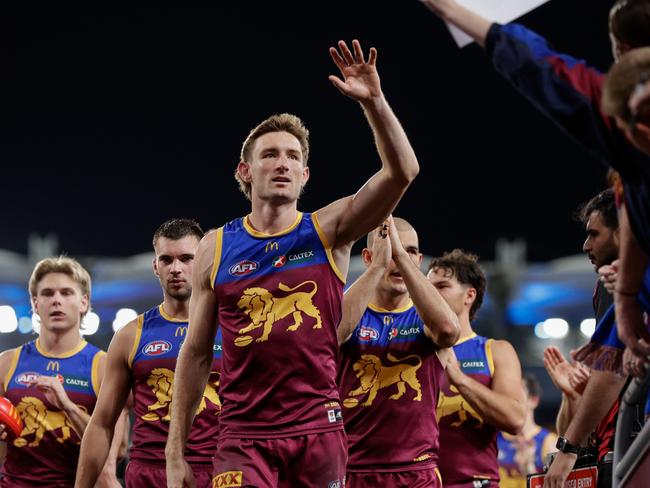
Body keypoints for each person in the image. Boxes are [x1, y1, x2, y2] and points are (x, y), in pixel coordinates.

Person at [165, 39, 421, 488]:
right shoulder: (215, 246)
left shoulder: (329, 229)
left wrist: (375, 102)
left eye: (293, 157)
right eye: (269, 154)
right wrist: (176, 449)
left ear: (305, 176)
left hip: (317, 432)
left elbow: (402, 172)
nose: (282, 163)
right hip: (242, 437)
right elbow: (198, 352)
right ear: (245, 171)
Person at [75, 218, 221, 488]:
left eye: (186, 258)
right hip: (150, 473)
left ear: (203, 261)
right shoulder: (131, 335)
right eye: (166, 260)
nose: (176, 268)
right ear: (156, 266)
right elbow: (102, 423)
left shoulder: (233, 328)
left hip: (219, 469)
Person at [336, 217, 459, 487]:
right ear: (369, 256)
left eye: (410, 251)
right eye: (390, 249)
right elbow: (329, 335)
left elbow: (449, 332)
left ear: (418, 259)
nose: (399, 257)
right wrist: (380, 265)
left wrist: (400, 257)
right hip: (352, 469)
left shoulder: (425, 316)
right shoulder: (352, 310)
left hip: (416, 471)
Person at [0, 256, 119, 487]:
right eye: (47, 293)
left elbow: (113, 451)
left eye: (66, 293)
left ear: (84, 302)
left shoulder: (103, 366)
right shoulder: (7, 363)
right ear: (35, 303)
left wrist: (67, 406)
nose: (56, 301)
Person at [428, 250, 525, 488]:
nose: (430, 293)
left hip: (474, 483)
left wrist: (461, 380)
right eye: (427, 286)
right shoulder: (412, 351)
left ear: (469, 295)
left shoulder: (496, 350)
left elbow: (514, 420)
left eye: (441, 286)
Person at [497, 375, 557, 488]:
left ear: (533, 401)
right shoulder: (493, 439)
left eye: (517, 393)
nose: (510, 397)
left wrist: (528, 469)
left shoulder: (550, 442)